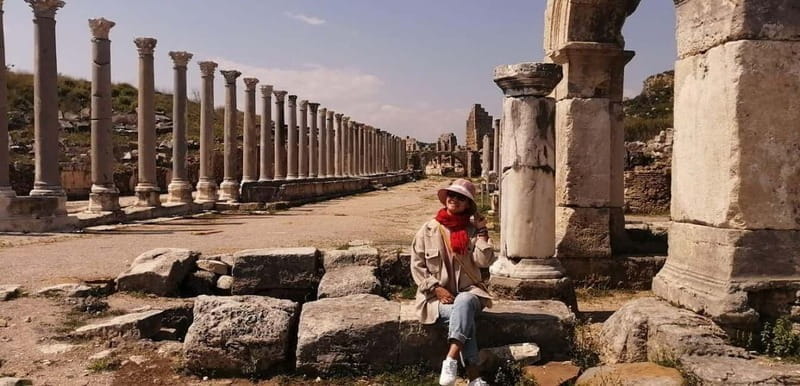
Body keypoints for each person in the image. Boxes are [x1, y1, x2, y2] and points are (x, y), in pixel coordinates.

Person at [410, 178, 496, 386]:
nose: (454, 199)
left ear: (468, 205)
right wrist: (436, 288)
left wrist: (483, 231)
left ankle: (451, 358)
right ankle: (474, 376)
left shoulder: (473, 231)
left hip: (470, 293)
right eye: (451, 195)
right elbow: (417, 266)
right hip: (435, 300)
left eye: (461, 197)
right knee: (464, 316)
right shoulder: (428, 229)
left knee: (465, 301)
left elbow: (483, 261)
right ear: (445, 198)